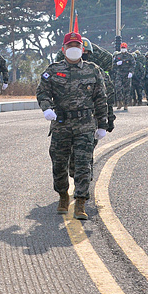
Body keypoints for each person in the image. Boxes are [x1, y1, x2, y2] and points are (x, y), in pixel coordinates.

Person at [36, 32, 109, 221]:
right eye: (70, 46)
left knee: (83, 164)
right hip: (61, 124)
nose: (74, 48)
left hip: (85, 125)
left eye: (77, 45)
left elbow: (101, 99)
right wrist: (46, 109)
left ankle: (80, 202)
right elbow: (42, 93)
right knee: (59, 163)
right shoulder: (53, 70)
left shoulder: (93, 70)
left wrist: (102, 124)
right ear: (64, 49)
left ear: (82, 49)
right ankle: (62, 196)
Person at [111, 42, 135, 110]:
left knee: (127, 90)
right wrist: (117, 64)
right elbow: (113, 65)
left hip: (127, 74)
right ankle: (119, 102)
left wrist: (131, 72)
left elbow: (133, 65)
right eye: (122, 48)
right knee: (118, 87)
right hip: (119, 74)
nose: (123, 49)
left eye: (124, 48)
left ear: (126, 48)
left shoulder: (130, 56)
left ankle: (126, 104)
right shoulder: (118, 56)